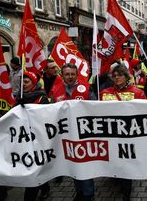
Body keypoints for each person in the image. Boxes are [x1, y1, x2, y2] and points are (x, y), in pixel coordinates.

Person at [99, 64, 146, 201]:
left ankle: (127, 193)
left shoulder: (138, 93)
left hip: (129, 136)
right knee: (114, 161)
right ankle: (117, 179)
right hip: (111, 135)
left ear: (126, 76)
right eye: (114, 75)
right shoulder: (104, 93)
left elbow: (144, 114)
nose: (117, 77)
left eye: (120, 74)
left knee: (126, 164)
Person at [51, 63, 95, 201]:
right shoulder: (55, 90)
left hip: (84, 134)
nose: (70, 77)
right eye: (67, 74)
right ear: (62, 75)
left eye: (72, 74)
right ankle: (79, 191)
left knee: (85, 164)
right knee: (73, 164)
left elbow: (94, 108)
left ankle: (88, 194)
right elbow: (51, 111)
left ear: (77, 74)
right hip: (67, 135)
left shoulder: (87, 88)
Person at [15, 71, 51, 200]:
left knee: (34, 169)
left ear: (34, 83)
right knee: (35, 167)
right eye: (22, 82)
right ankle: (45, 187)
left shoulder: (42, 98)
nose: (23, 84)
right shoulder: (18, 98)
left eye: (26, 81)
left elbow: (46, 118)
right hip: (24, 139)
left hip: (38, 140)